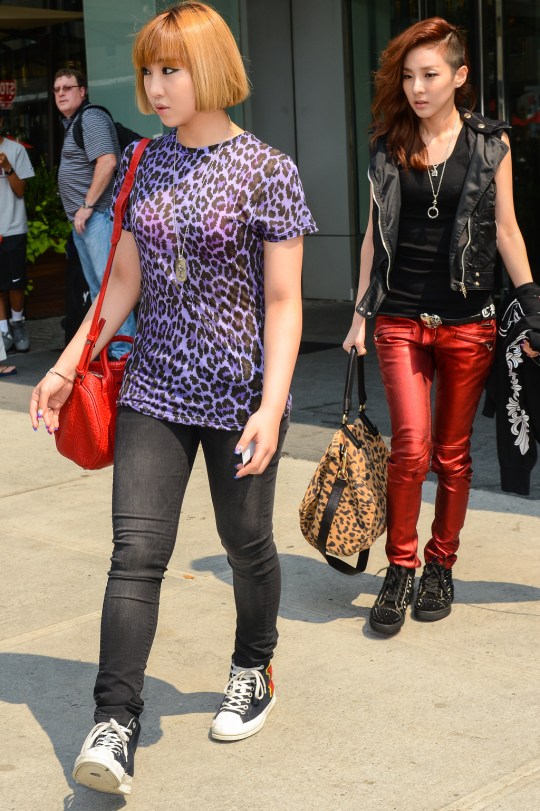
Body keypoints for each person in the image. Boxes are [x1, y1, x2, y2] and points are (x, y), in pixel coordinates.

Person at [31, 1, 316, 796]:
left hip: (240, 393)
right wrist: (67, 365)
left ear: (212, 68)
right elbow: (123, 280)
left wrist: (272, 404)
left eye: (172, 70)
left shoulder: (268, 169)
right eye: (148, 71)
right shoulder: (143, 161)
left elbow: (284, 302)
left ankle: (254, 665)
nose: (155, 87)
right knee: (136, 553)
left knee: (244, 543)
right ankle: (114, 721)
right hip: (154, 386)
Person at [343, 17, 536, 636]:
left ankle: (440, 565)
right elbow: (373, 236)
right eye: (407, 76)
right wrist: (359, 315)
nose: (417, 88)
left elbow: (505, 230)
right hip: (400, 316)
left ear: (459, 76)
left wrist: (531, 301)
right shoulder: (386, 145)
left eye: (429, 75)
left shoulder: (491, 145)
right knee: (411, 449)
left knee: (452, 456)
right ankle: (400, 567)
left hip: (467, 322)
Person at [53, 67, 135, 358]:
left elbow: (107, 161)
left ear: (82, 91)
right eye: (56, 89)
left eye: (67, 87)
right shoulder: (75, 123)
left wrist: (86, 206)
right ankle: (113, 353)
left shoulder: (91, 117)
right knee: (101, 291)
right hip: (87, 221)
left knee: (111, 289)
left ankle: (124, 355)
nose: (61, 93)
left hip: (98, 216)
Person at [0, 113, 35, 356]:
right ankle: (3, 330)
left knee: (15, 282)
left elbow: (21, 190)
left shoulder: (15, 150)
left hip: (13, 227)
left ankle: (18, 324)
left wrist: (7, 167)